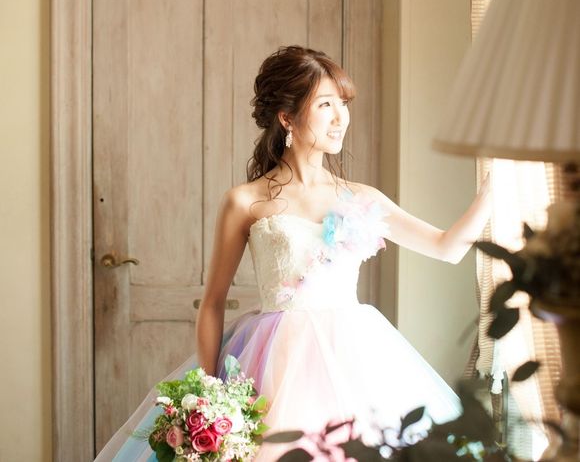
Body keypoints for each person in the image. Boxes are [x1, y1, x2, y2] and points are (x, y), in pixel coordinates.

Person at [95, 45, 492, 461]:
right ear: (287, 117)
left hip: (355, 357)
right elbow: (212, 302)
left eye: (343, 104)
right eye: (325, 104)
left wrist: (492, 188)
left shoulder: (361, 197)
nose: (341, 118)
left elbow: (447, 248)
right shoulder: (245, 201)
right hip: (272, 360)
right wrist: (210, 392)